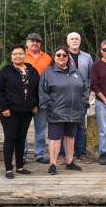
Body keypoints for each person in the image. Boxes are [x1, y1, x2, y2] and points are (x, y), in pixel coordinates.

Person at [39, 47, 90, 175]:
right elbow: (42, 91)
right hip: (56, 111)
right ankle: (53, 164)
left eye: (64, 55)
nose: (61, 57)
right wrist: (49, 105)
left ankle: (70, 162)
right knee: (55, 138)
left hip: (74, 111)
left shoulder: (75, 72)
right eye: (58, 55)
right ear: (54, 57)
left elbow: (84, 89)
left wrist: (84, 103)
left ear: (68, 58)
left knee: (70, 137)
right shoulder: (48, 72)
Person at [0, 44, 40, 179]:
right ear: (11, 56)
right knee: (10, 139)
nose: (18, 56)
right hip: (10, 111)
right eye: (15, 54)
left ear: (25, 55)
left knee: (21, 139)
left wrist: (36, 104)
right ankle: (9, 168)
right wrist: (4, 107)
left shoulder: (32, 70)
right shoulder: (5, 71)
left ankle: (20, 166)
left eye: (20, 53)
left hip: (27, 111)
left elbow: (37, 89)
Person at [57, 32, 93, 165]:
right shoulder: (61, 55)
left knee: (80, 126)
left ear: (80, 41)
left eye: (76, 38)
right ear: (67, 41)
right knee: (62, 124)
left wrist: (88, 91)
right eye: (72, 38)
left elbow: (91, 76)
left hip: (81, 97)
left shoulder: (87, 57)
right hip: (63, 97)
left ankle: (80, 153)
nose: (74, 40)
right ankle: (61, 155)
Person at [23, 33, 51, 164]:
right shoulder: (20, 55)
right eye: (32, 41)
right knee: (22, 127)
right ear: (27, 42)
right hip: (24, 98)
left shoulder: (47, 57)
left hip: (42, 98)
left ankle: (39, 154)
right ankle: (21, 154)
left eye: (38, 41)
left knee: (41, 128)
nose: (35, 43)